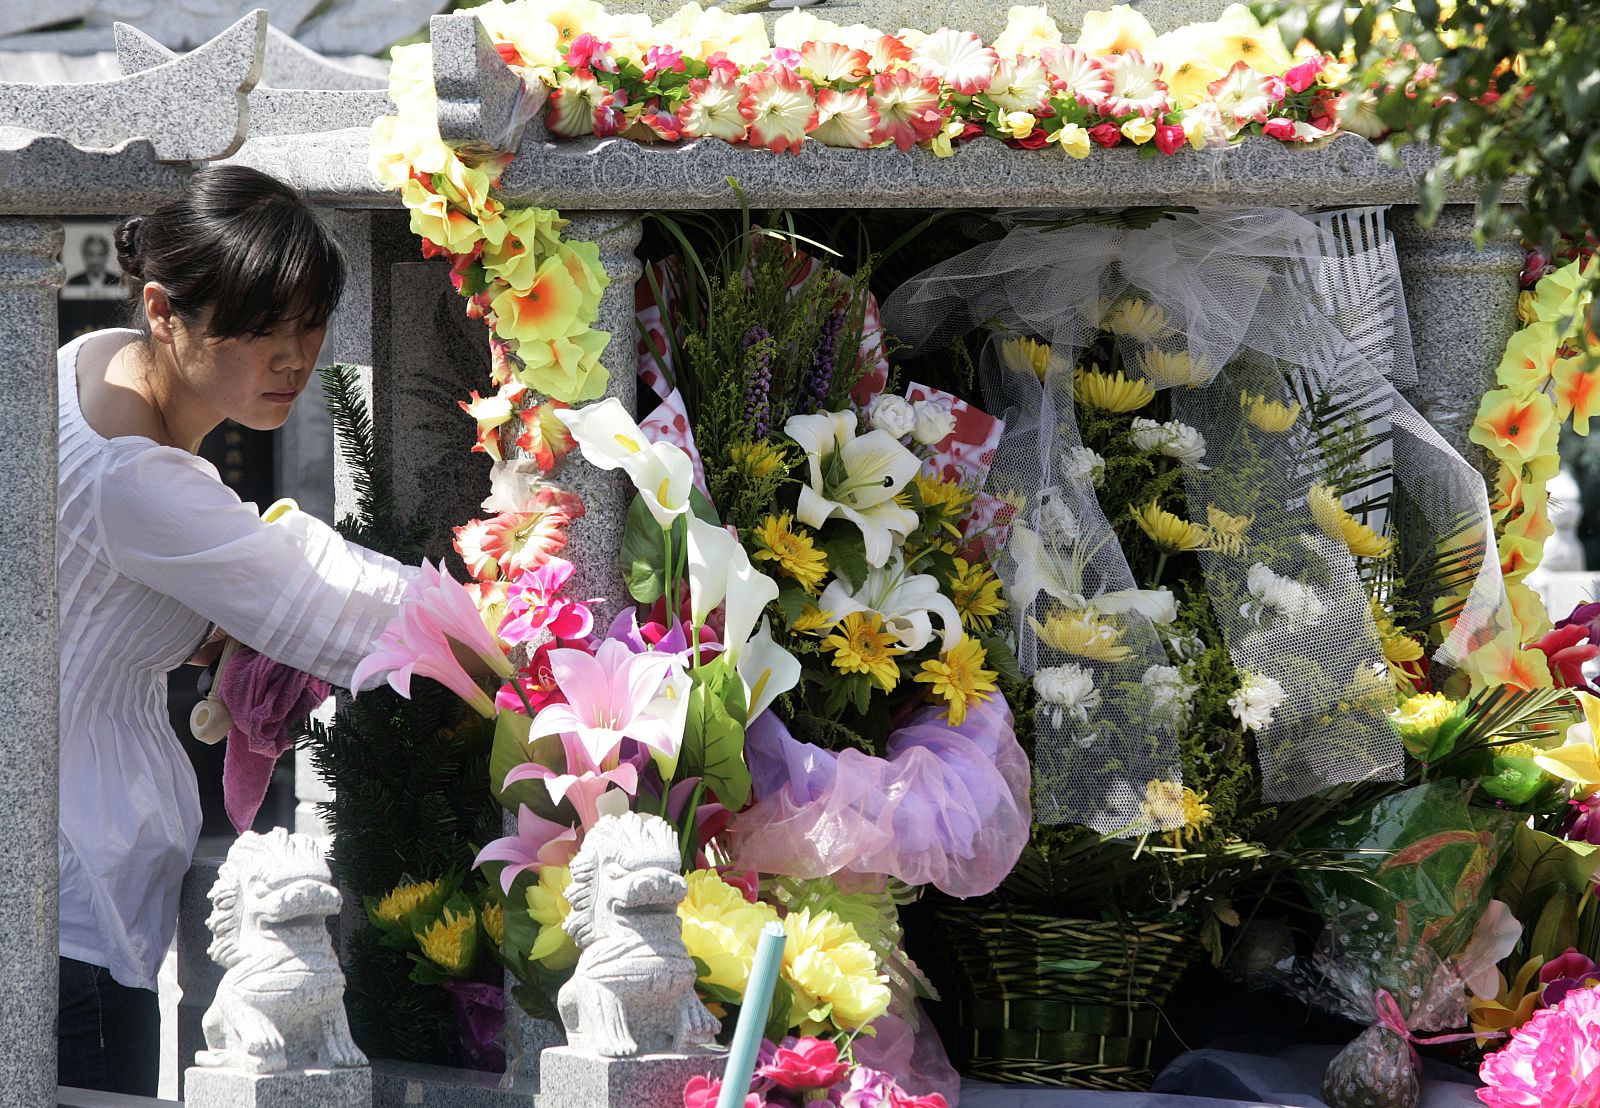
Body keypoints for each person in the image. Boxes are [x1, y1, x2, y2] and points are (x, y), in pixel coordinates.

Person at [56, 165, 417, 1096]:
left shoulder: (87, 362)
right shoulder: (132, 478)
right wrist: (537, 632)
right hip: (74, 896)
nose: (295, 357)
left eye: (309, 322)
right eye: (259, 329)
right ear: (163, 310)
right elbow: (341, 608)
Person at [63, 232, 123, 299]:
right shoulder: (74, 282)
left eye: (100, 254)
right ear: (84, 255)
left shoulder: (116, 282)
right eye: (91, 254)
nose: (96, 260)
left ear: (106, 256)